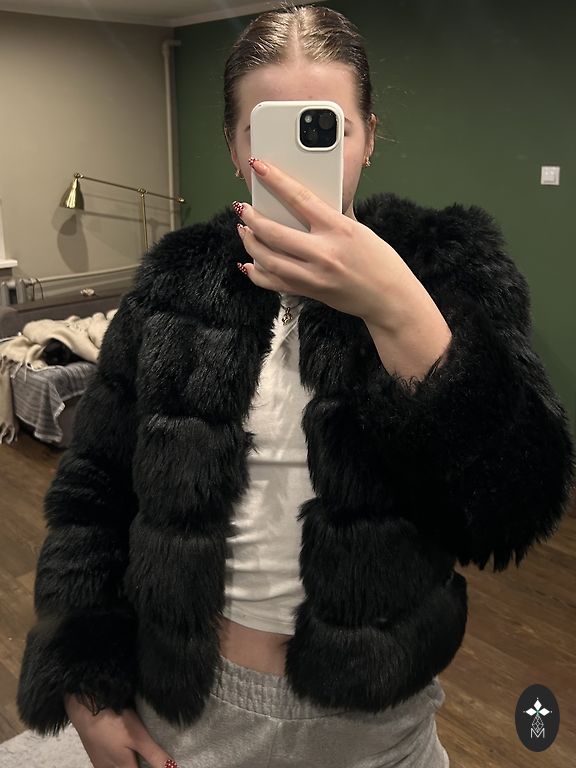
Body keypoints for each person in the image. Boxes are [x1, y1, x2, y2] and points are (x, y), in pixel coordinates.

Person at [16, 4, 574, 768]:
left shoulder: (447, 271)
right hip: (188, 705)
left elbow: (519, 508)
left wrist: (398, 311)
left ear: (368, 136)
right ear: (234, 145)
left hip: (377, 722)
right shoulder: (173, 286)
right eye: (269, 131)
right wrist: (82, 681)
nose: (299, 160)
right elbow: (93, 493)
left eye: (327, 128)